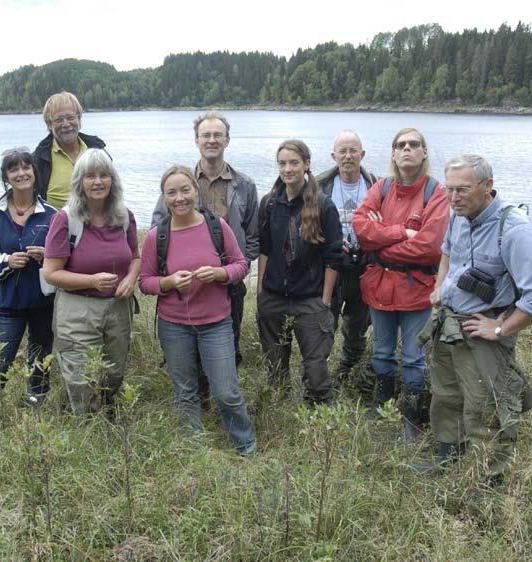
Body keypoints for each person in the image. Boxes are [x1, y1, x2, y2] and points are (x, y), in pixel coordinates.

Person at [416, 154, 532, 480]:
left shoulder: (514, 228)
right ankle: (447, 456)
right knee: (446, 394)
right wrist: (439, 288)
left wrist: (500, 328)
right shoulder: (458, 215)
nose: (452, 198)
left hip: (482, 331)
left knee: (488, 402)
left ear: (488, 185)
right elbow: (448, 253)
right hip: (447, 324)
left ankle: (490, 478)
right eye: (449, 189)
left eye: (462, 190)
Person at [139, 165, 256, 454]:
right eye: (172, 193)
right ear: (164, 198)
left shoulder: (216, 226)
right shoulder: (157, 236)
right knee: (186, 392)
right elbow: (145, 282)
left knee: (226, 392)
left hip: (216, 324)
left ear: (195, 191)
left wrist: (219, 274)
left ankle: (246, 447)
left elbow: (240, 265)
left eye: (185, 190)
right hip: (174, 326)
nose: (180, 198)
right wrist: (167, 282)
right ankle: (194, 449)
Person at [353, 128, 449, 441]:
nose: (407, 149)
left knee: (413, 357)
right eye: (400, 145)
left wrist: (381, 238)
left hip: (416, 289)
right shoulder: (381, 187)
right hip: (380, 286)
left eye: (414, 144)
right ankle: (382, 407)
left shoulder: (437, 192)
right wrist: (401, 233)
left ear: (424, 153)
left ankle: (411, 418)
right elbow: (361, 229)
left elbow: (431, 246)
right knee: (381, 353)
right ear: (393, 154)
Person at [151, 111, 259, 366]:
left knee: (227, 343)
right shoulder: (181, 182)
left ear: (227, 140)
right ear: (196, 140)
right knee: (185, 350)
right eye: (206, 135)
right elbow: (158, 225)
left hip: (229, 283)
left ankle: (219, 392)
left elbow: (253, 234)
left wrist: (236, 267)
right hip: (184, 283)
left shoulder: (245, 185)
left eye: (217, 135)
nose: (212, 140)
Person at [42, 149, 140, 415]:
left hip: (118, 307)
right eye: (90, 176)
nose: (98, 182)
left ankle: (108, 418)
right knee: (81, 377)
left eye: (104, 175)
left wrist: (131, 278)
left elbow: (135, 258)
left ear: (113, 180)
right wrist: (92, 281)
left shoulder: (124, 216)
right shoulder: (66, 220)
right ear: (79, 182)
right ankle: (87, 427)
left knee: (114, 370)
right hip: (77, 308)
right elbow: (51, 272)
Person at [0, 147, 56, 404]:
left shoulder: (52, 215)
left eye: (26, 167)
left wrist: (46, 256)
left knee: (41, 360)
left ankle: (36, 402)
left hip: (43, 302)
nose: (21, 173)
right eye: (13, 169)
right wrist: (7, 262)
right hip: (7, 303)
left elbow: (66, 257)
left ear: (34, 172)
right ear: (6, 176)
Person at [257, 140, 341, 405]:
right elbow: (265, 250)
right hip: (273, 297)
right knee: (274, 362)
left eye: (294, 162)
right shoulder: (270, 203)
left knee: (315, 369)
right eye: (282, 163)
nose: (287, 169)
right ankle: (279, 408)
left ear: (306, 164)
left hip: (311, 299)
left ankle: (319, 413)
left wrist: (325, 302)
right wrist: (261, 292)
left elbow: (334, 257)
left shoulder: (323, 206)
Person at [315, 130, 378, 394]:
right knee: (323, 320)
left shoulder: (377, 185)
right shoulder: (319, 186)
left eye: (353, 151)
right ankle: (318, 375)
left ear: (362, 155)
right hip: (330, 267)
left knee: (357, 324)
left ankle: (348, 373)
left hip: (362, 267)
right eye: (343, 151)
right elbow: (307, 225)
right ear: (334, 156)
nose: (348, 156)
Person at [33, 91, 108, 209]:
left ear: (79, 119)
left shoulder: (97, 150)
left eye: (70, 117)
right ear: (49, 125)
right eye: (58, 120)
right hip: (56, 225)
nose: (66, 124)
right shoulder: (40, 159)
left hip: (97, 224)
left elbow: (114, 190)